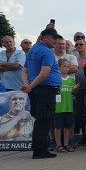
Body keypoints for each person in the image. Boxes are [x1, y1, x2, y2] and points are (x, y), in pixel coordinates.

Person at [21, 27, 62, 159]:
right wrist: (30, 86)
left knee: (40, 119)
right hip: (46, 88)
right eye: (53, 38)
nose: (56, 41)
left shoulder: (32, 51)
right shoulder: (46, 52)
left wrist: (28, 85)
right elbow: (44, 74)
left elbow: (24, 71)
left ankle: (40, 148)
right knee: (44, 119)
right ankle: (40, 150)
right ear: (45, 38)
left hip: (36, 89)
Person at [53, 58, 76, 152]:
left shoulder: (71, 79)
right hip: (58, 107)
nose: (66, 68)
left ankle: (66, 144)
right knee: (58, 126)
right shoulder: (56, 79)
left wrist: (75, 89)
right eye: (64, 66)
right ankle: (58, 144)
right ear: (59, 67)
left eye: (68, 66)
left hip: (69, 106)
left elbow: (73, 93)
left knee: (68, 126)